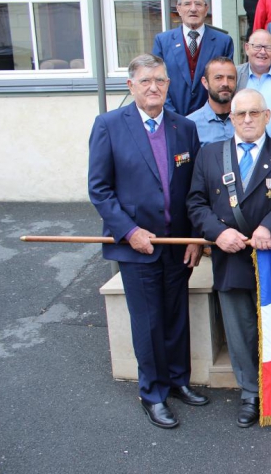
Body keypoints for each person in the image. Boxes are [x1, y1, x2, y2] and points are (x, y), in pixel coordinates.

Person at [88, 53, 206, 429]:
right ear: (131, 86)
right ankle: (153, 392)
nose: (153, 87)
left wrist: (195, 238)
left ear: (169, 85)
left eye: (160, 80)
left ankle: (177, 381)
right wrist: (130, 232)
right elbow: (100, 189)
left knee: (175, 316)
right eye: (145, 81)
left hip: (177, 244)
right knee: (149, 321)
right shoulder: (108, 125)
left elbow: (194, 190)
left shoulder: (184, 128)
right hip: (136, 245)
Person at [187, 88, 271, 428]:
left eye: (254, 113)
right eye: (240, 114)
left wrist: (270, 227)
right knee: (240, 330)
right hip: (231, 258)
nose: (247, 120)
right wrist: (217, 233)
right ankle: (251, 393)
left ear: (267, 116)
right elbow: (195, 203)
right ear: (231, 118)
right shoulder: (211, 155)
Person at [153, 0, 234, 115]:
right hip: (172, 118)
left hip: (210, 120)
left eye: (198, 4)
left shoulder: (223, 42)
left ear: (206, 9)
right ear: (179, 9)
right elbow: (157, 81)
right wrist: (172, 116)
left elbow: (226, 82)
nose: (193, 9)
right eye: (187, 4)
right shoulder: (163, 42)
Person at [187, 57, 237, 145]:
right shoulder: (190, 125)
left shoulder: (246, 120)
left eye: (230, 78)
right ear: (205, 83)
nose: (225, 83)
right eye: (218, 78)